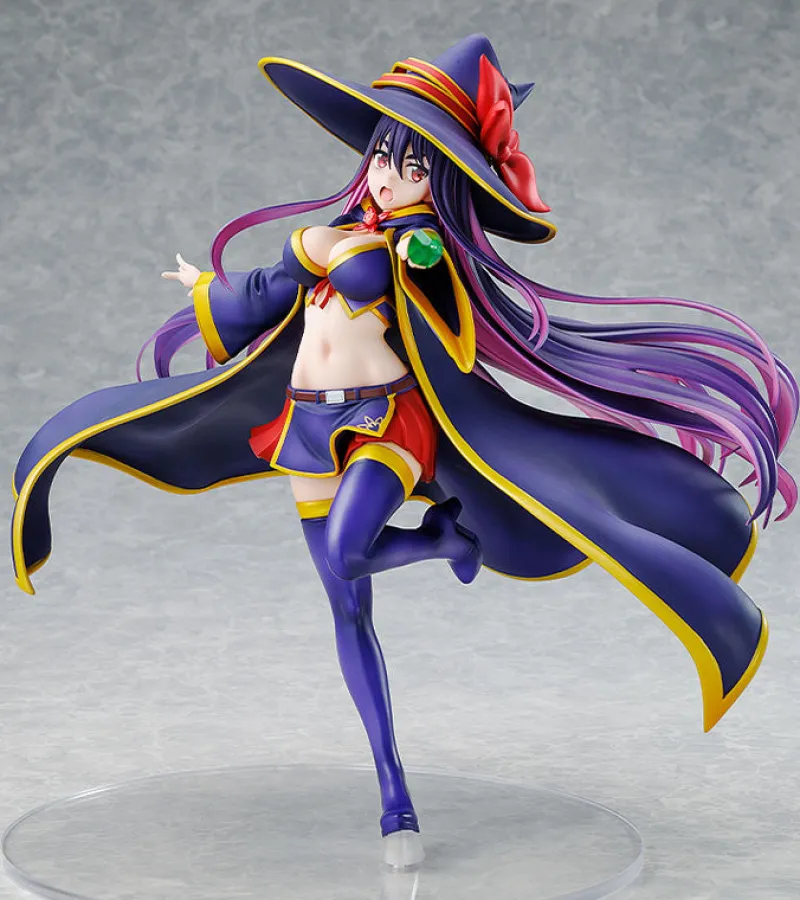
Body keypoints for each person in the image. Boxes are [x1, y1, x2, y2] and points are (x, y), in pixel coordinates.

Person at [11, 34, 797, 868]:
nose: (388, 175)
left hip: (389, 426)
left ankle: (441, 541)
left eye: (413, 165)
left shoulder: (420, 250)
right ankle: (394, 796)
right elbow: (266, 296)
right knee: (348, 611)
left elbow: (373, 274)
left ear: (442, 182)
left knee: (350, 549)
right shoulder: (348, 230)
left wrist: (322, 247)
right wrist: (209, 288)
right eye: (383, 155)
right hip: (305, 426)